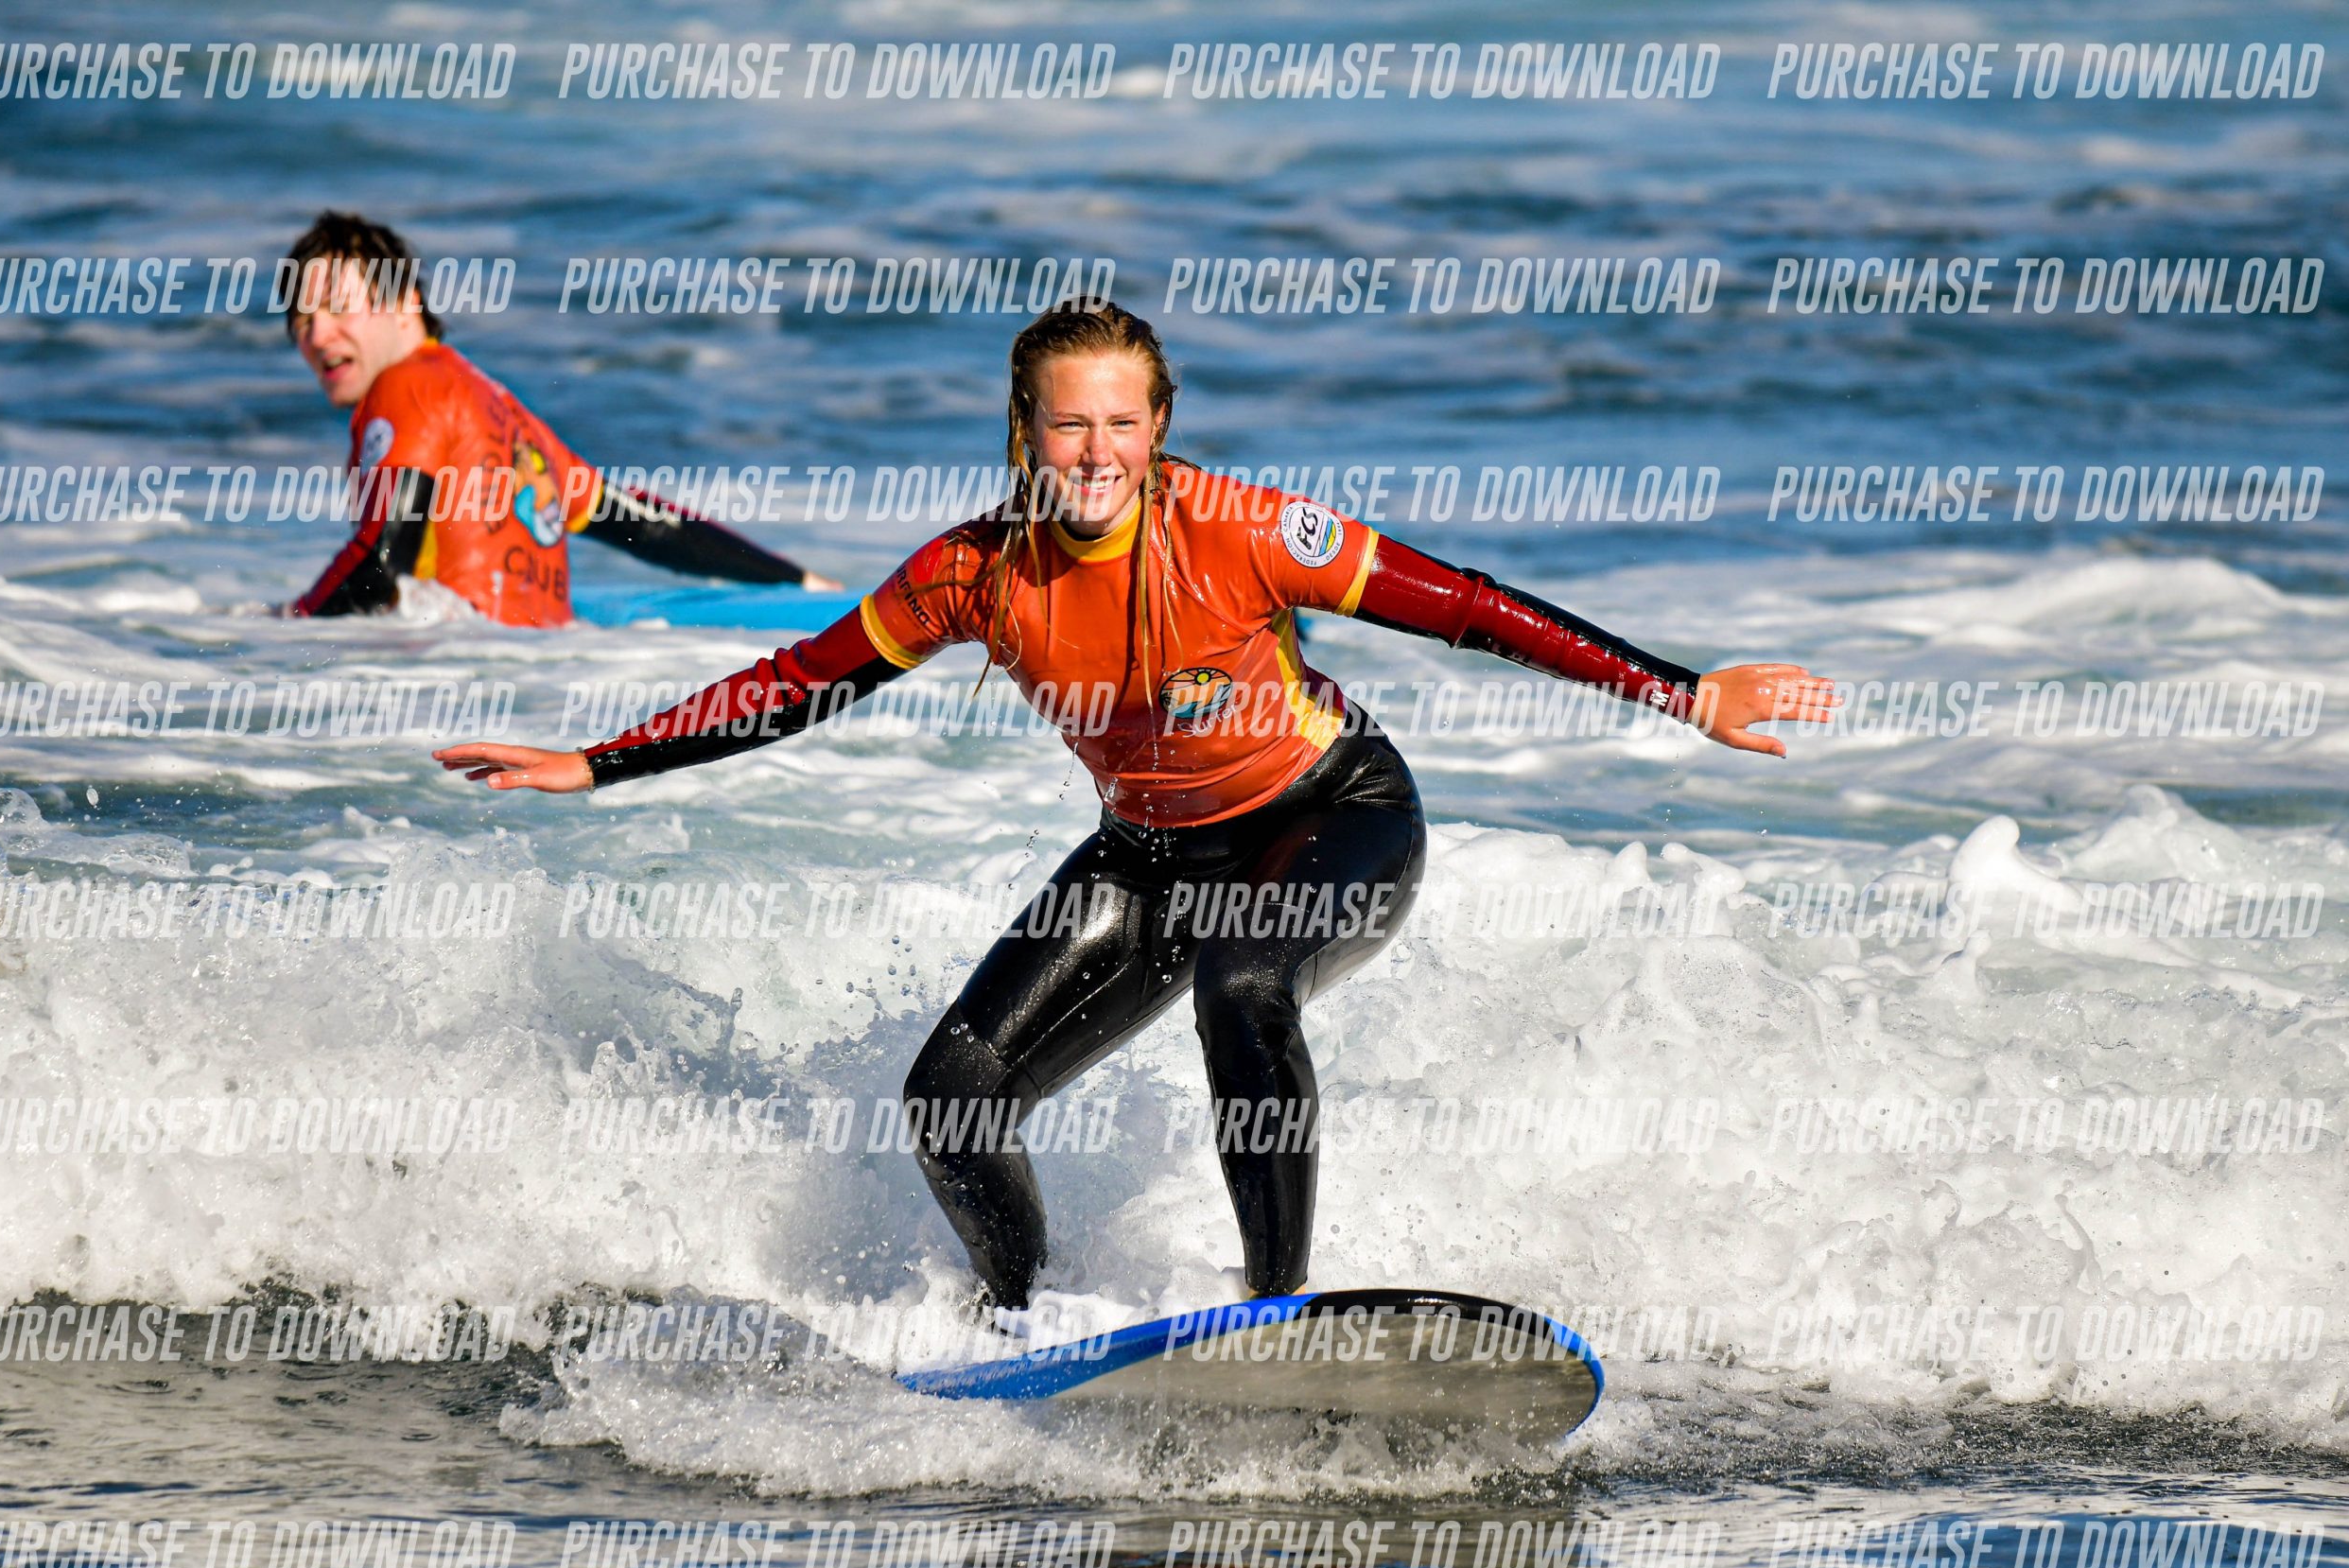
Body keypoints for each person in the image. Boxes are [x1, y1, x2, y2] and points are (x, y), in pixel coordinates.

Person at [434, 301, 1835, 1311]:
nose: (1096, 449)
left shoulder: (1240, 528)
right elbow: (804, 681)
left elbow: (1466, 607)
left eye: (1122, 421)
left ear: (1159, 427)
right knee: (952, 1096)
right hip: (1151, 854)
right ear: (1024, 430)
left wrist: (1683, 692)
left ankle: (1277, 1308)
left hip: (1331, 815)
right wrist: (595, 763)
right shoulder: (975, 571)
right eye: (1069, 422)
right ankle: (1014, 1318)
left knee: (1245, 980)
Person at [280, 211, 832, 625]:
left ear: (405, 306)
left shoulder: (407, 385)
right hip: (539, 670)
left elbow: (381, 565)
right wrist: (794, 580)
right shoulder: (511, 421)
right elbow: (649, 527)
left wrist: (280, 626)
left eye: (337, 308)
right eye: (302, 320)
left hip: (446, 670)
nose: (317, 335)